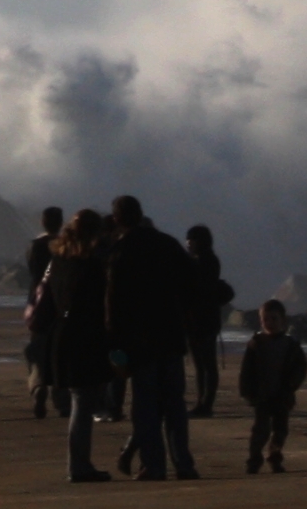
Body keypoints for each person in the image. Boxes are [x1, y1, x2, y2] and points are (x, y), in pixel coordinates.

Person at [105, 195, 200, 481]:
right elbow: (191, 281)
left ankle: (153, 465)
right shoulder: (168, 244)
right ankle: (184, 464)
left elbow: (113, 303)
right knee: (174, 404)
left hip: (139, 342)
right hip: (171, 335)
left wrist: (114, 344)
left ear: (117, 219)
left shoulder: (120, 252)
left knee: (145, 406)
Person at [46, 209, 115, 481]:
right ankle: (79, 465)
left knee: (80, 401)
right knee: (83, 402)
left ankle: (79, 464)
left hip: (63, 333)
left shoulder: (59, 259)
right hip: (85, 337)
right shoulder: (90, 265)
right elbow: (97, 305)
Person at [240, 298, 307, 474]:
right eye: (265, 319)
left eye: (273, 318)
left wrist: (291, 385)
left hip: (282, 395)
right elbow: (246, 370)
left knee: (281, 430)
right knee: (260, 431)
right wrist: (247, 391)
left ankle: (274, 457)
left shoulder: (291, 345)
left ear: (283, 320)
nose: (269, 323)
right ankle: (254, 459)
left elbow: (301, 367)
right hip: (261, 395)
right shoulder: (256, 344)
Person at [21, 206, 66, 419]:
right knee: (60, 351)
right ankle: (61, 398)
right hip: (61, 304)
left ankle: (38, 386)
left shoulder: (35, 246)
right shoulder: (66, 245)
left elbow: (32, 272)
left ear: (43, 222)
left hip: (39, 304)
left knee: (37, 350)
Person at [183, 224, 231, 417]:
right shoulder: (209, 261)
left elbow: (198, 290)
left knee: (205, 365)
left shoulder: (204, 262)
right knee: (203, 364)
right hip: (205, 319)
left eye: (191, 240)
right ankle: (203, 403)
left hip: (202, 320)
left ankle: (205, 404)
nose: (188, 244)